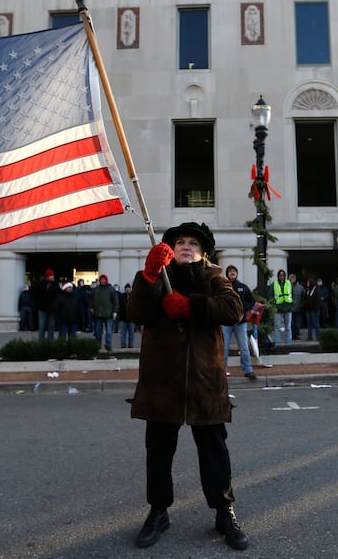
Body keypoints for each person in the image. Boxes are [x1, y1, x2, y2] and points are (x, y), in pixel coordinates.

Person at [127, 222, 248, 550]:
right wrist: (149, 276)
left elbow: (234, 310)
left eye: (193, 243)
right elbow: (135, 312)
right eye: (180, 242)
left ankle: (224, 512)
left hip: (204, 382)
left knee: (214, 451)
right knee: (159, 451)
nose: (186, 246)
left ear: (203, 252)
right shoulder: (156, 274)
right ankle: (158, 512)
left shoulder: (215, 277)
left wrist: (193, 305)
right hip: (162, 382)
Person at [222, 265, 256, 380]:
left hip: (241, 323)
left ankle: (248, 370)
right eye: (230, 271)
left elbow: (251, 301)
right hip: (226, 322)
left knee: (244, 347)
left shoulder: (243, 287)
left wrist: (243, 307)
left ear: (237, 273)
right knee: (224, 348)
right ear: (227, 273)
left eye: (234, 271)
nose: (232, 273)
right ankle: (222, 370)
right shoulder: (222, 287)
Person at [91, 274, 118, 352]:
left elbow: (116, 301)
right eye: (101, 279)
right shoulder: (96, 289)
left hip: (109, 314)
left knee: (109, 332)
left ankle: (108, 345)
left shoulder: (111, 289)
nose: (103, 281)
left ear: (106, 280)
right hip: (98, 314)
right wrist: (91, 307)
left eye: (104, 279)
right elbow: (90, 299)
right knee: (98, 332)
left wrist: (115, 311)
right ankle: (97, 345)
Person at [34, 269, 60, 341]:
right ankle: (41, 341)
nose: (52, 277)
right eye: (51, 276)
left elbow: (58, 296)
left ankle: (50, 341)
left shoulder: (56, 285)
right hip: (42, 308)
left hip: (52, 309)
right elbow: (36, 295)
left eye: (53, 275)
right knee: (42, 326)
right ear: (47, 277)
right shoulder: (41, 285)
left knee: (51, 326)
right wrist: (38, 304)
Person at [272, 269, 293, 344]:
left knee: (288, 327)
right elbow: (271, 295)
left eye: (283, 275)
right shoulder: (274, 284)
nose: (282, 276)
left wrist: (292, 304)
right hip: (278, 309)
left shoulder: (288, 283)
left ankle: (288, 342)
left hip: (288, 308)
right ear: (278, 276)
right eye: (280, 275)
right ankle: (277, 342)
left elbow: (293, 294)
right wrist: (274, 304)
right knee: (277, 327)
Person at [303, 276, 323, 340]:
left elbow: (318, 301)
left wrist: (316, 308)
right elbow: (306, 298)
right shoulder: (308, 290)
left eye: (308, 282)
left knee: (316, 323)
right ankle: (309, 336)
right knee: (309, 324)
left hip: (314, 310)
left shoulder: (317, 290)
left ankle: (318, 336)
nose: (307, 283)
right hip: (308, 309)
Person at [118, 283, 135, 349]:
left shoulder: (133, 296)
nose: (127, 289)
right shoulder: (121, 296)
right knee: (123, 334)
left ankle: (131, 346)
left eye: (128, 288)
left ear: (130, 289)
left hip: (131, 318)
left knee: (131, 333)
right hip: (123, 318)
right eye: (126, 288)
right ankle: (123, 345)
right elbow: (119, 306)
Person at [289, 273, 304, 340]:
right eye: (292, 278)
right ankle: (292, 335)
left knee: (297, 323)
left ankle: (296, 334)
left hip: (298, 307)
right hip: (290, 308)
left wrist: (302, 304)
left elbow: (303, 296)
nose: (293, 279)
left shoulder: (300, 287)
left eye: (294, 278)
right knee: (291, 323)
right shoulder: (287, 286)